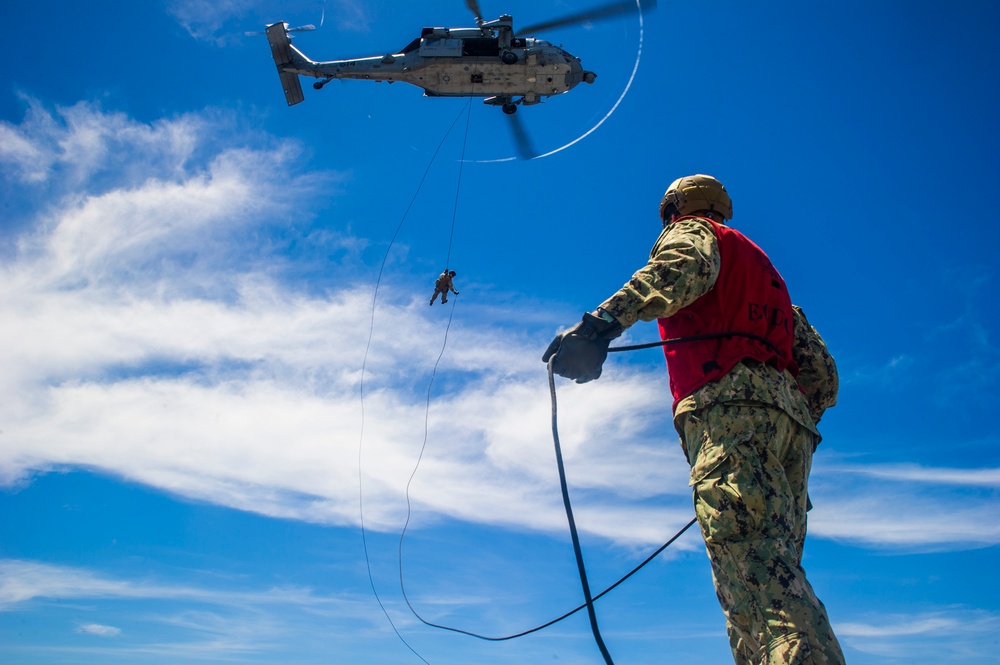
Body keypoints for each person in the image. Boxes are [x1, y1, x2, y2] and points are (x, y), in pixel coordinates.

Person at [542, 174, 845, 664]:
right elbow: (823, 377)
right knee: (762, 579)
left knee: (759, 581)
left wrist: (598, 326)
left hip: (728, 415)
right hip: (792, 429)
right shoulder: (769, 277)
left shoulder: (692, 233)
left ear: (674, 208)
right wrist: (781, 407)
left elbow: (677, 273)